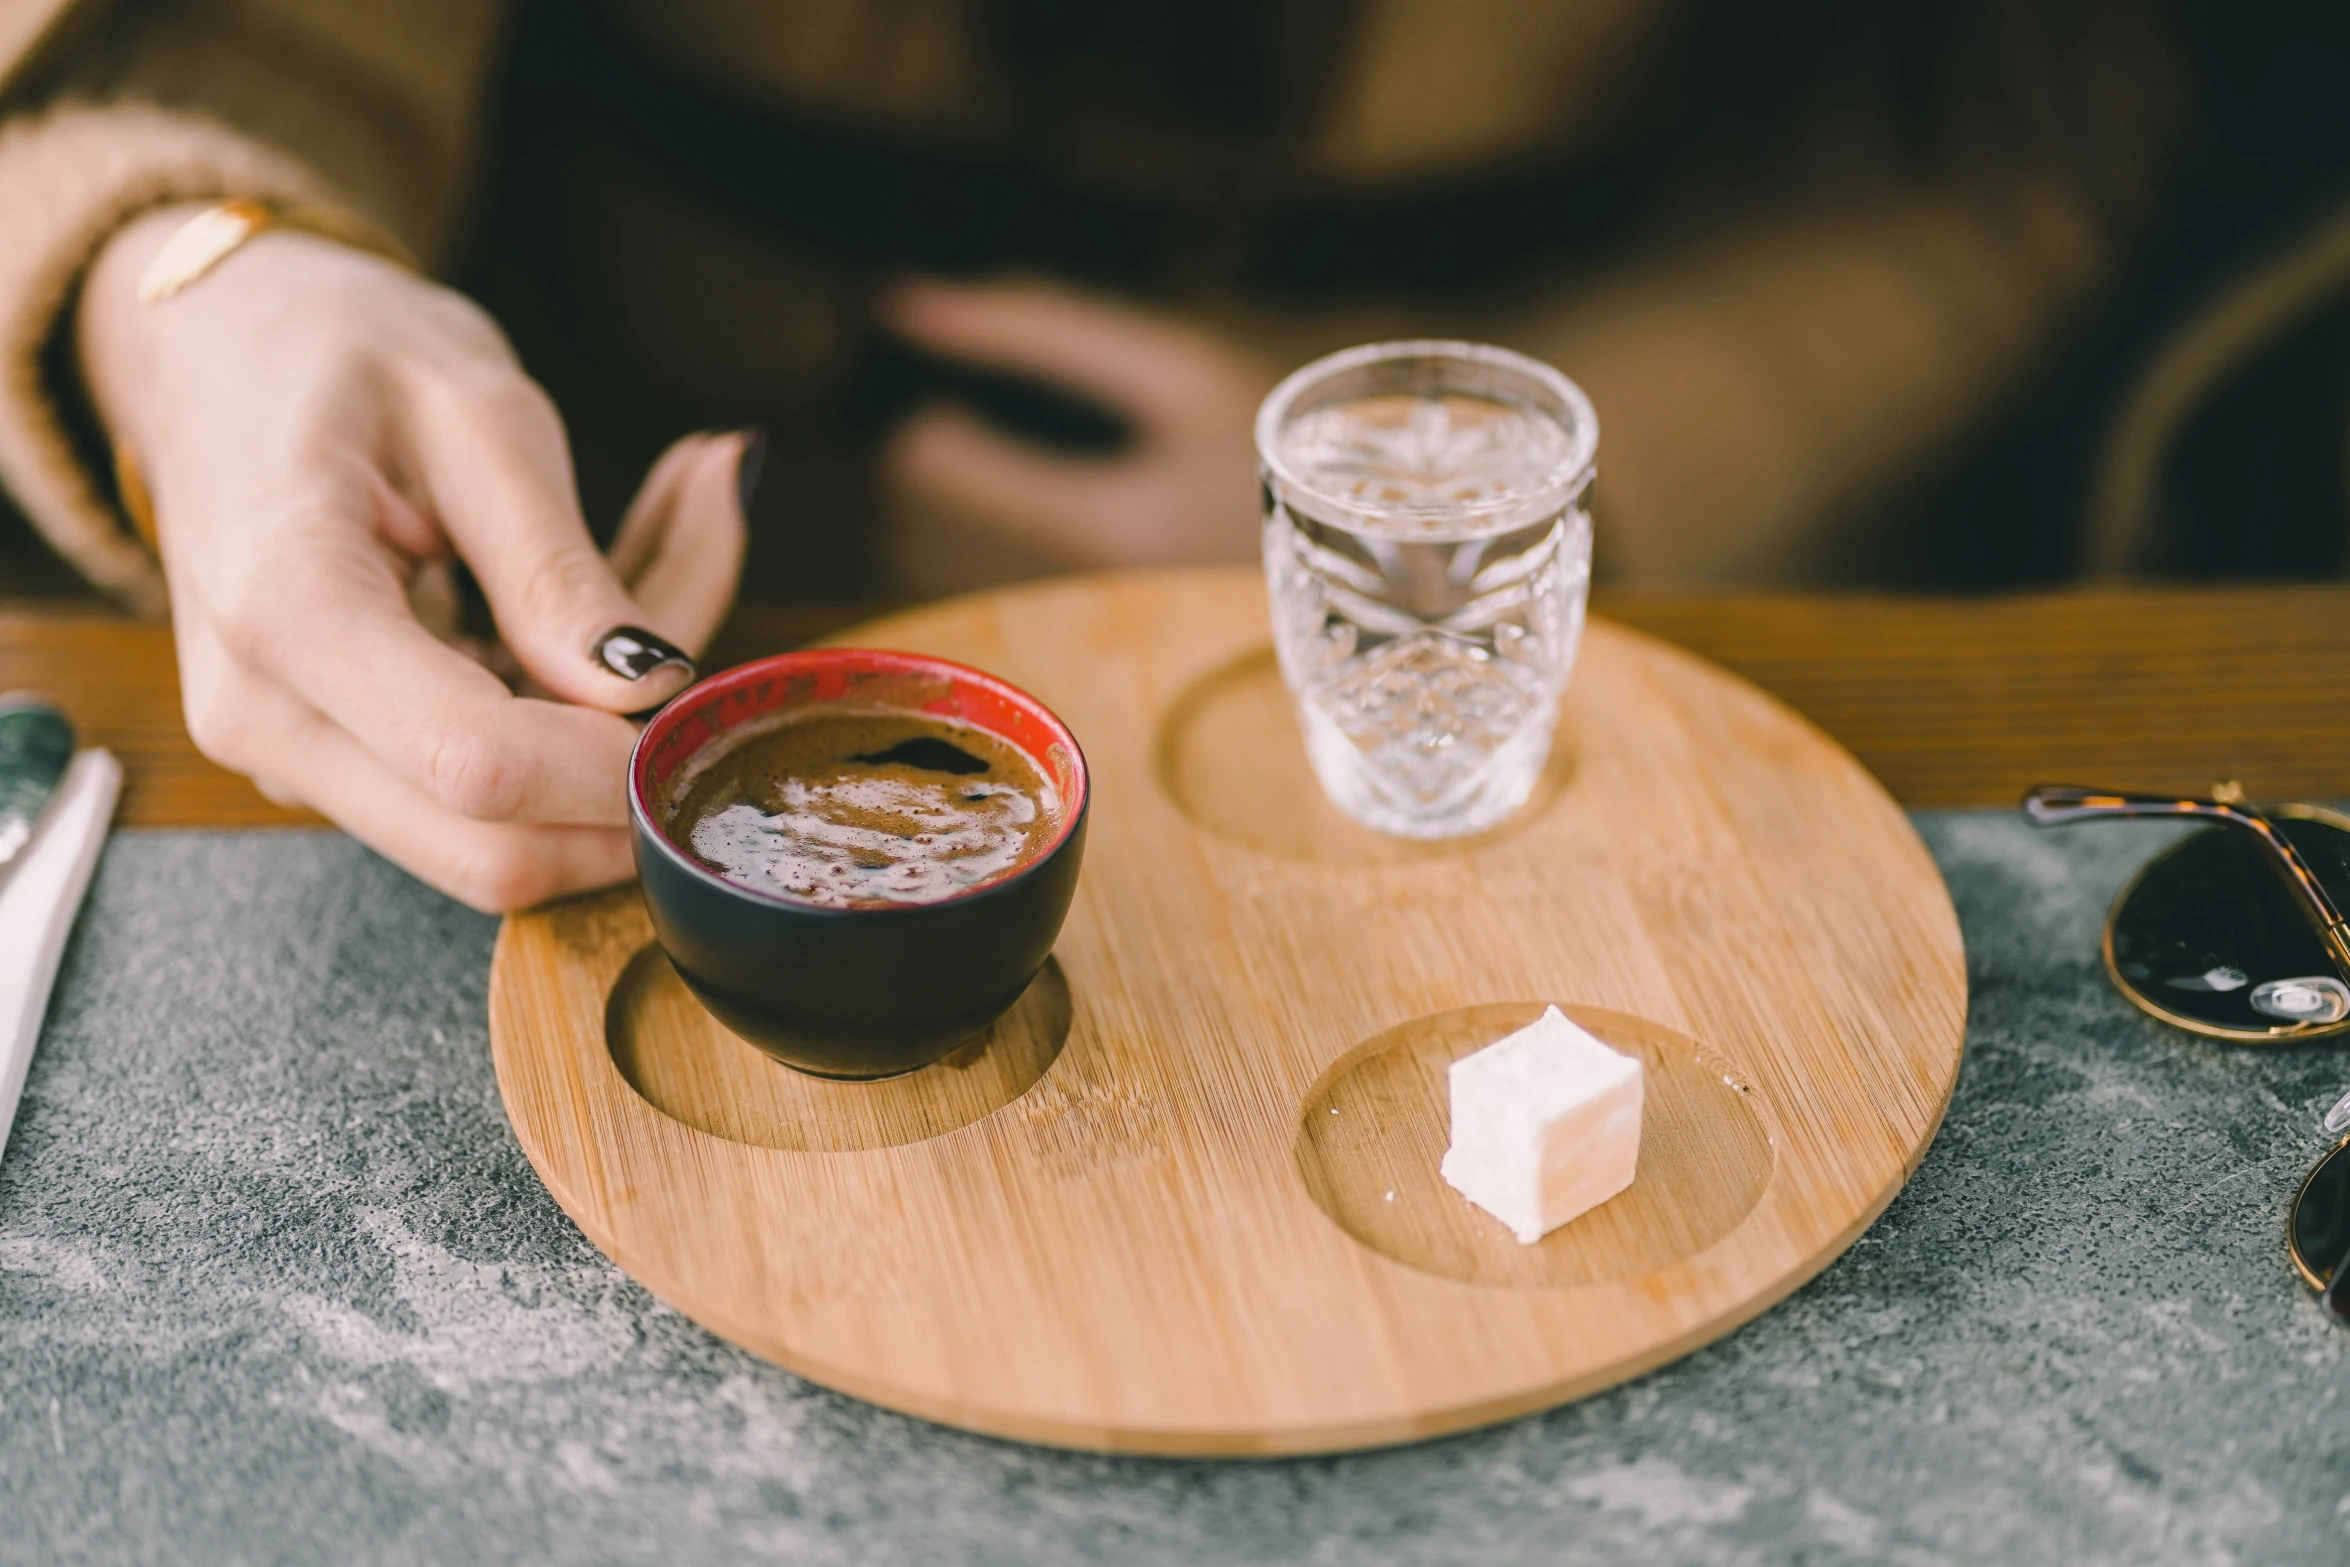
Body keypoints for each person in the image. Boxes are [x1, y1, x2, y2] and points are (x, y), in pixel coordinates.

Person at [0, 0, 2180, 911]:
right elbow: (209, 45)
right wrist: (204, 276)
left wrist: (1462, 480)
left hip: (1602, 559)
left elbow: (2038, 108)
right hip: (577, 521)